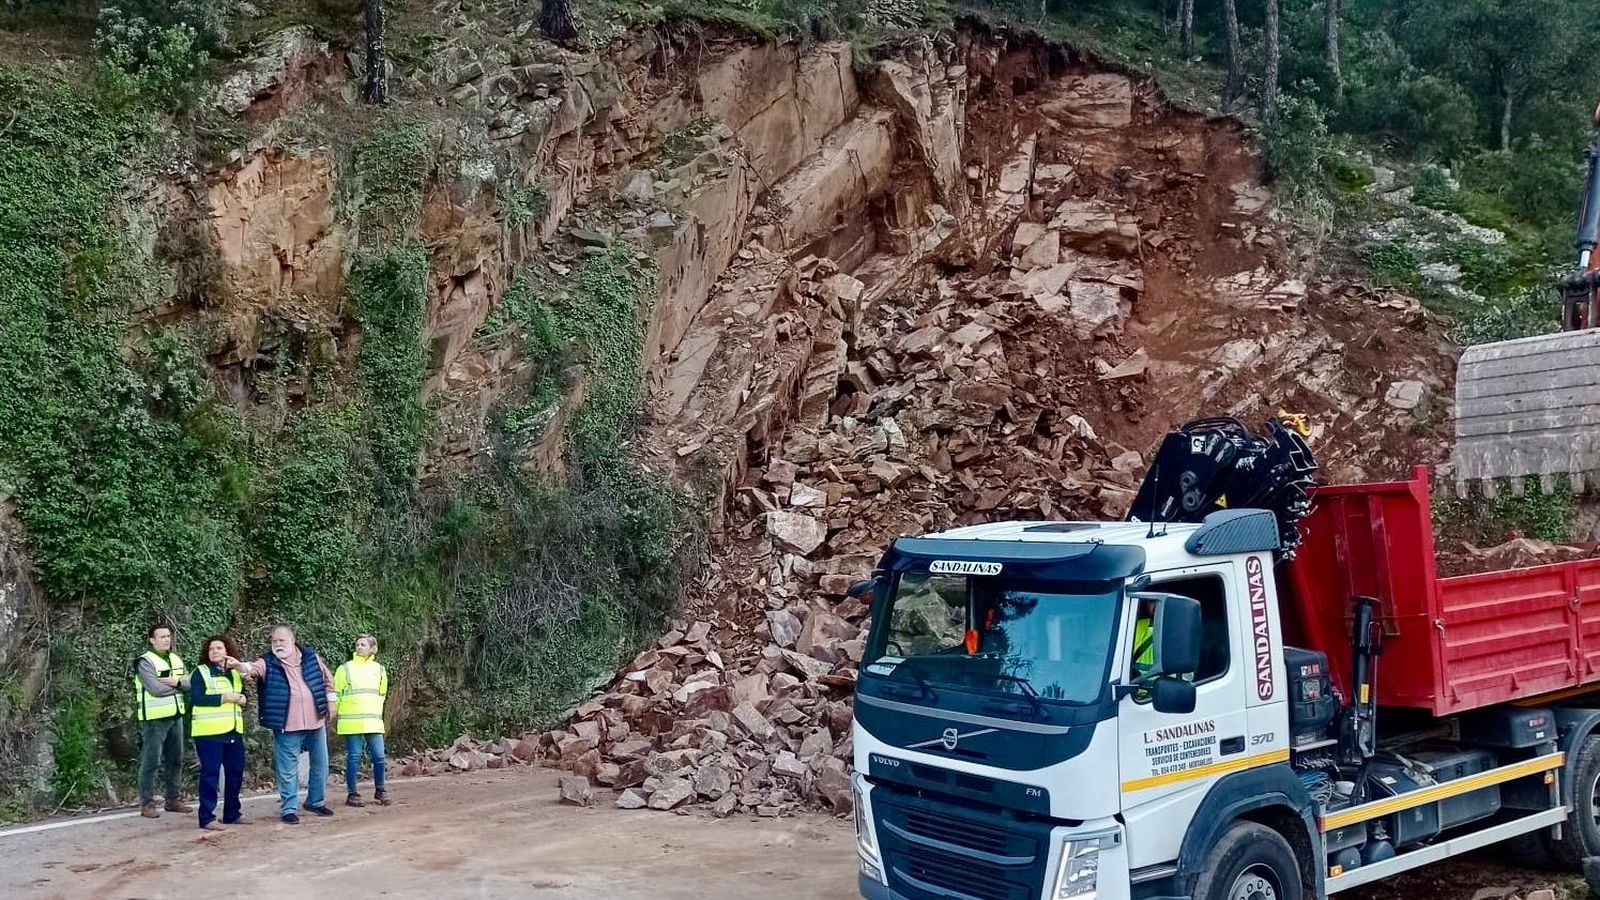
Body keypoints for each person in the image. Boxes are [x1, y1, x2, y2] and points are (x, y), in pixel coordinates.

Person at [231, 626, 338, 824]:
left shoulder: (311, 657)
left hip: (316, 720)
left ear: (293, 640)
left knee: (321, 764)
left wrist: (331, 702)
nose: (278, 644)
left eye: (282, 640)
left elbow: (327, 680)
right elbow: (252, 669)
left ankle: (315, 801)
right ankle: (289, 808)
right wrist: (240, 667)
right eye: (274, 641)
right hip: (287, 724)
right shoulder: (267, 662)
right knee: (287, 769)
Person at [189, 635, 251, 830]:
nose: (214, 651)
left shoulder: (234, 674)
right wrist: (225, 697)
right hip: (209, 733)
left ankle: (232, 813)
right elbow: (197, 698)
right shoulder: (200, 672)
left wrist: (243, 699)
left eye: (219, 648)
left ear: (227, 652)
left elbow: (243, 693)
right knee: (210, 775)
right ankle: (206, 817)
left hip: (233, 730)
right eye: (211, 649)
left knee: (235, 773)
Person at [133, 624, 191, 819]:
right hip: (154, 719)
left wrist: (179, 683)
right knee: (151, 761)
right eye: (162, 636)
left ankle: (173, 799)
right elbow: (155, 689)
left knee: (176, 760)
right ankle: (147, 803)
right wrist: (180, 685)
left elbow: (191, 683)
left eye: (168, 636)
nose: (167, 639)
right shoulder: (144, 661)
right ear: (152, 640)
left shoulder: (175, 658)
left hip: (176, 716)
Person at [334, 634, 390, 807]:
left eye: (363, 644)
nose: (359, 647)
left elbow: (382, 694)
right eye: (358, 644)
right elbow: (336, 694)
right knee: (354, 757)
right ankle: (352, 794)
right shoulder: (345, 669)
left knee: (379, 756)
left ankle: (380, 790)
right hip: (352, 722)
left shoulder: (379, 669)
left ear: (372, 649)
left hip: (373, 721)